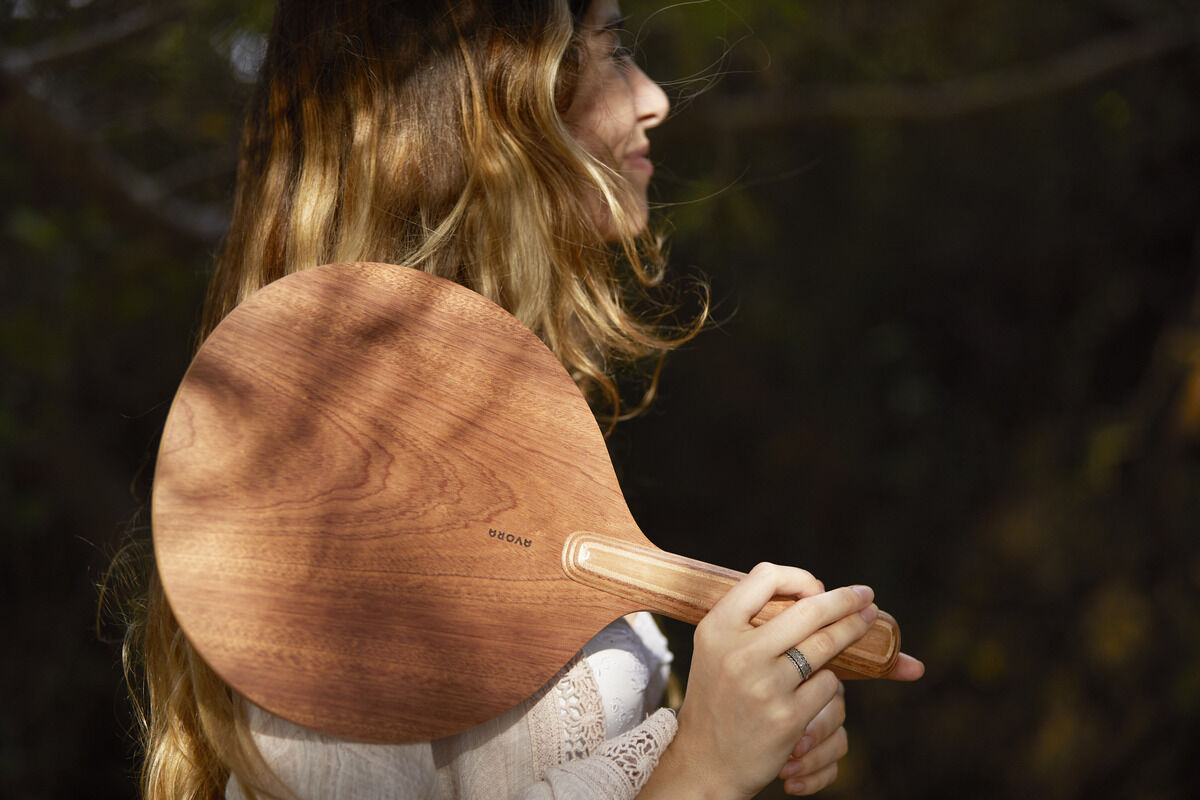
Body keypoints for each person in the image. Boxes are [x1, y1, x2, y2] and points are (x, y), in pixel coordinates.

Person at [126, 1, 924, 798]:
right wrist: (703, 768)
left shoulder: (489, 433)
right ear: (491, 103)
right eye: (614, 49)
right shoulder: (337, 481)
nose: (654, 99)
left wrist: (748, 717)